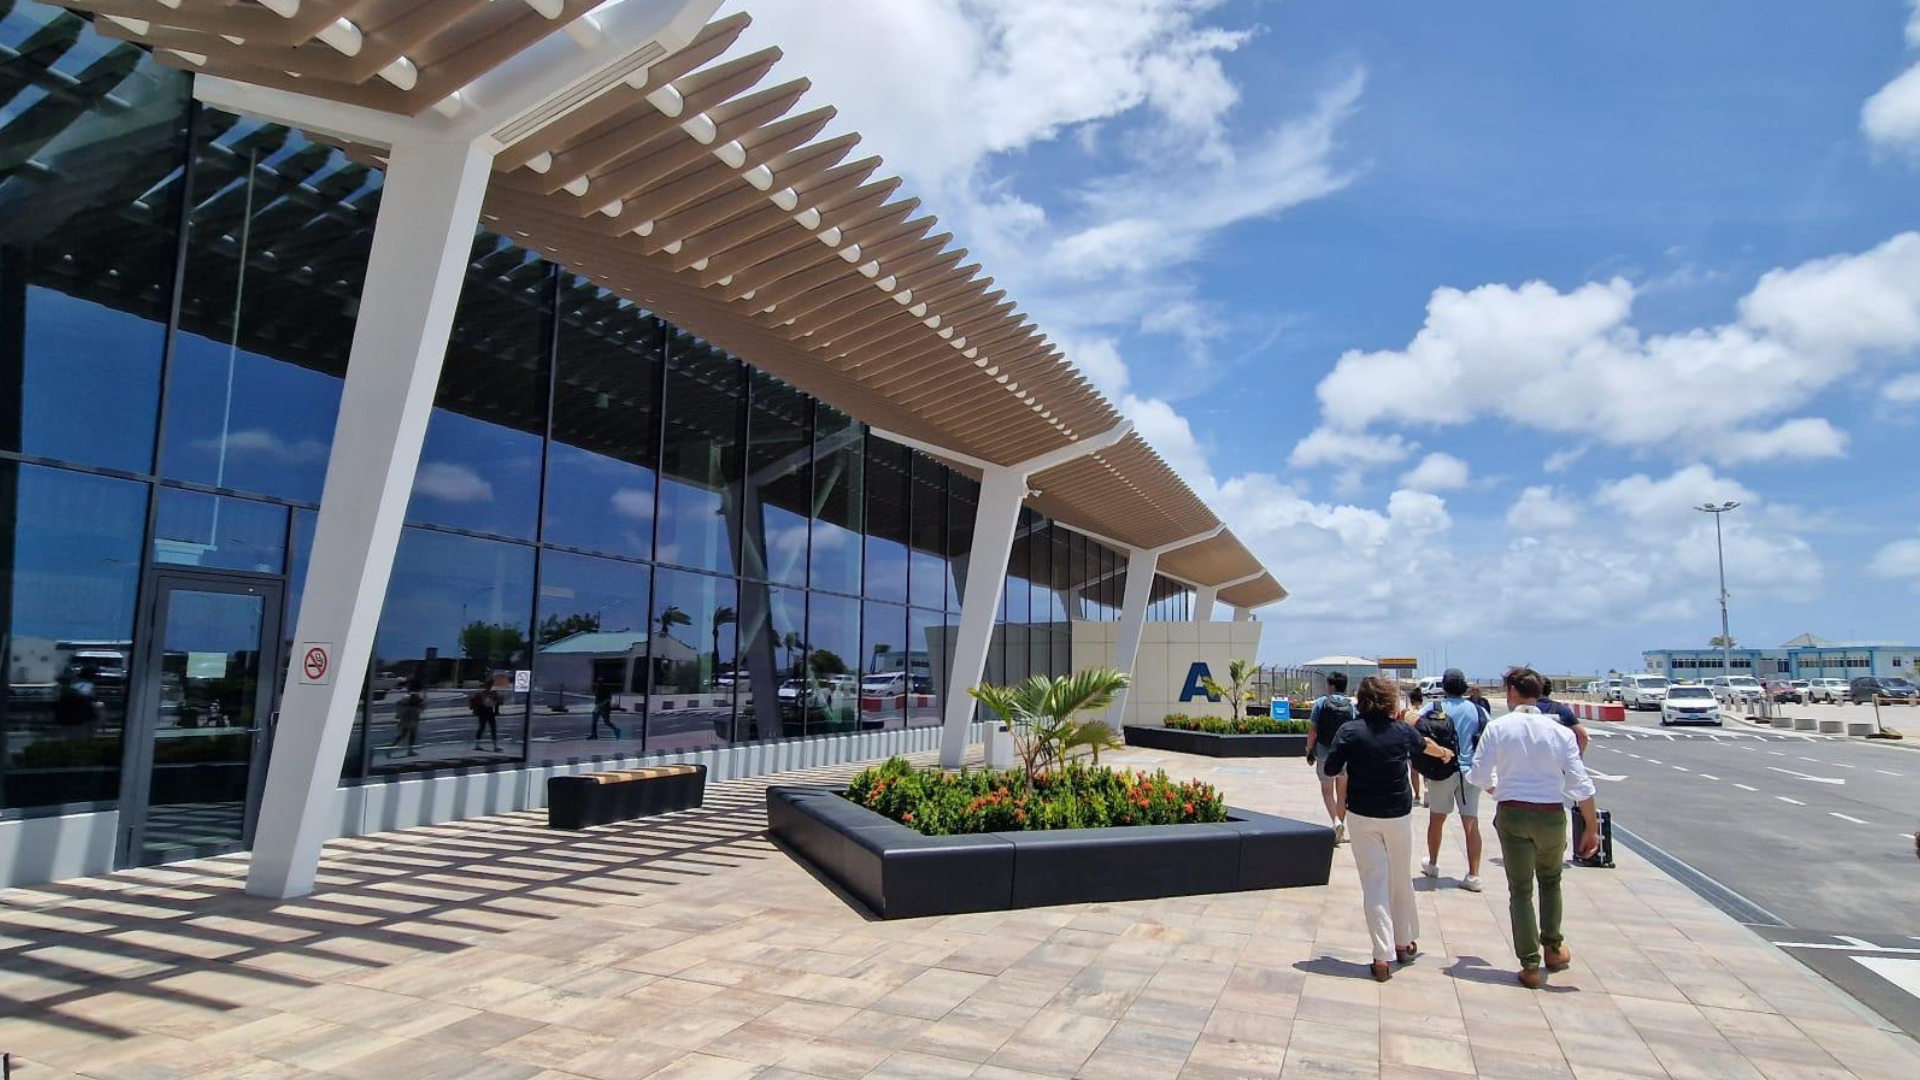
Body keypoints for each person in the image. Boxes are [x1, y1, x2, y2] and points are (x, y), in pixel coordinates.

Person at [1467, 667, 1601, 989]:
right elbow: (1580, 783)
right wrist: (1591, 827)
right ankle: (1553, 948)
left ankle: (1529, 964)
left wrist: (1497, 789)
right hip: (1551, 813)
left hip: (1513, 812)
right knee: (1551, 881)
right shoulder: (1560, 732)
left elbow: (1478, 775)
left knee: (1520, 889)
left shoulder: (1498, 727)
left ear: (1512, 691)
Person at [1323, 675, 1456, 982]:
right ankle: (1404, 942)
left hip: (1362, 814)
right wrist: (1447, 754)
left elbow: (1331, 769)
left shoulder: (1350, 731)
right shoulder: (1401, 731)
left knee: (1374, 883)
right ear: (1390, 702)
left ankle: (1381, 956)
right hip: (1398, 814)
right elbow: (1427, 747)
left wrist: (1344, 754)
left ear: (1362, 701)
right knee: (1400, 878)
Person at [1416, 669, 1487, 891]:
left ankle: (1433, 864)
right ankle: (1474, 875)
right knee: (1471, 822)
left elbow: (1418, 731)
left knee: (1437, 819)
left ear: (1444, 687)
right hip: (1470, 771)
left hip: (1442, 769)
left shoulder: (1433, 708)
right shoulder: (1478, 710)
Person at [1303, 672, 1356, 843]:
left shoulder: (1320, 703)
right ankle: (1339, 830)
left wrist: (1309, 749)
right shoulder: (1353, 705)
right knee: (1343, 793)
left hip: (1325, 752)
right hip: (1346, 754)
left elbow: (1313, 729)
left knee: (1327, 791)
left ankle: (1336, 822)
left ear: (1331, 685)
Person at [387, 680, 424, 757]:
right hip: (411, 718)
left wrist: (398, 715)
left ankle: (390, 748)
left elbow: (399, 705)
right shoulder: (415, 696)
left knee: (403, 735)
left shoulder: (406, 696)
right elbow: (420, 706)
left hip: (406, 718)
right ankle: (409, 751)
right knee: (411, 735)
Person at [470, 684, 504, 752]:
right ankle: (495, 746)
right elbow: (498, 703)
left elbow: (498, 703)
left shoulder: (484, 693)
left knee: (484, 728)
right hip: (486, 712)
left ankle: (478, 745)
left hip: (485, 712)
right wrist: (497, 712)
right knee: (490, 728)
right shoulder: (487, 694)